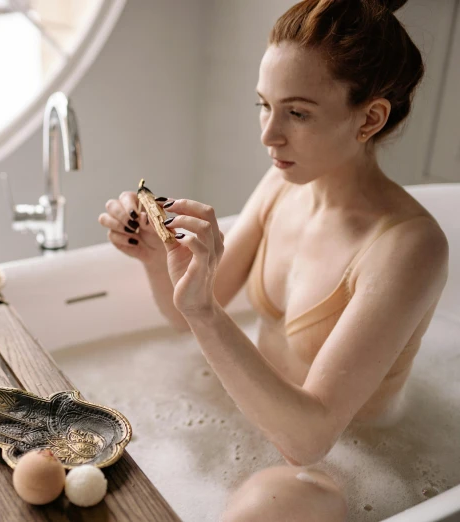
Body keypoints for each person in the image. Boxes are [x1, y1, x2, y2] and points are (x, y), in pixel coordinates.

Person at [98, 0, 449, 519]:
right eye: (264, 105)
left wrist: (205, 313)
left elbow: (308, 441)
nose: (268, 134)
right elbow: (183, 316)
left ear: (370, 118)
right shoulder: (282, 187)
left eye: (298, 112)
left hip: (347, 462)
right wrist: (158, 257)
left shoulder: (408, 247)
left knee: (265, 503)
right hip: (249, 426)